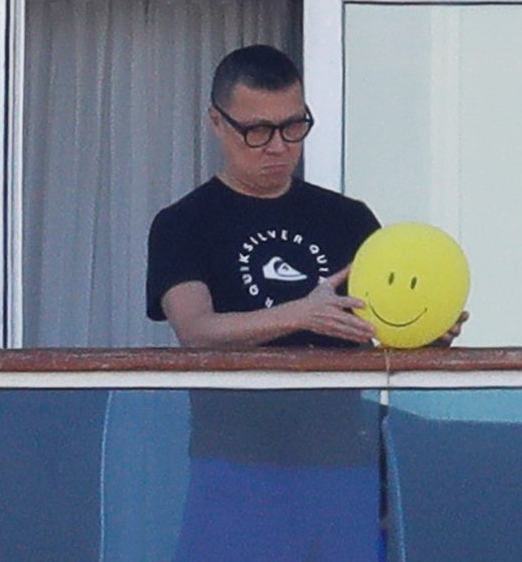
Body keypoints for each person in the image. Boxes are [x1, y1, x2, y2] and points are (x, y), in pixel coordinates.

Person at [146, 44, 465, 561]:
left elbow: (380, 325)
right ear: (216, 122)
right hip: (235, 465)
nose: (278, 147)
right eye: (258, 131)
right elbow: (196, 331)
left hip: (344, 465)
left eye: (294, 127)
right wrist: (300, 313)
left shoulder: (348, 219)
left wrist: (428, 334)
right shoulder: (183, 223)